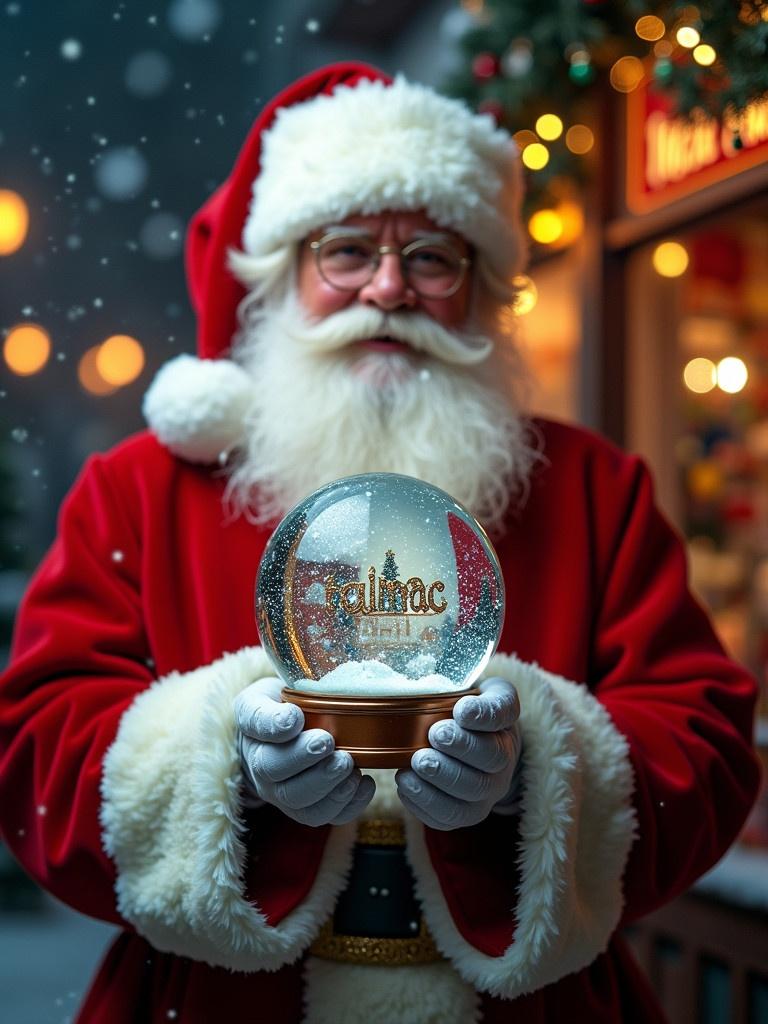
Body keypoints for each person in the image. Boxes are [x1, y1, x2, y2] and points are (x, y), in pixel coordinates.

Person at [0, 62, 759, 1024]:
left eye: (434, 258)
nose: (390, 288)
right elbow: (33, 754)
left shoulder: (595, 487)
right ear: (281, 276)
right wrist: (221, 764)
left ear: (480, 289)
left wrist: (539, 771)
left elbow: (709, 743)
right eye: (347, 251)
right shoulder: (141, 488)